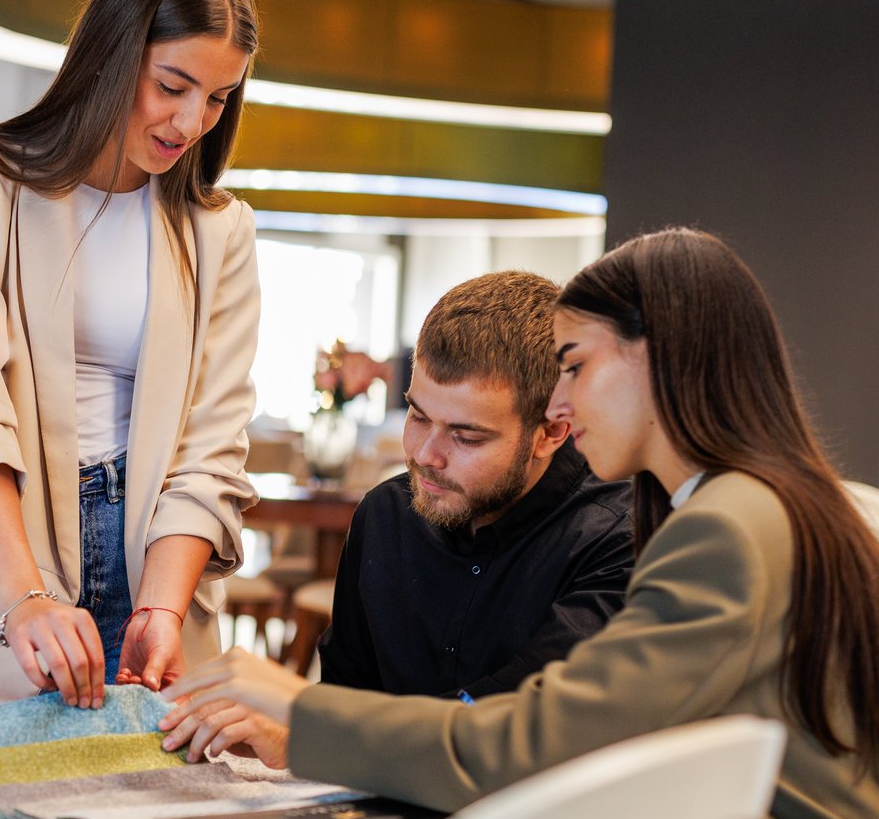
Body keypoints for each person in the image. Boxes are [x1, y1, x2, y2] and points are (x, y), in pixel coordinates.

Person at [161, 228, 879, 819]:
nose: (560, 405)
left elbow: (544, 744)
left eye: (576, 367)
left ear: (655, 358)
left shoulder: (728, 529)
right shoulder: (759, 504)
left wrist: (302, 712)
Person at [0, 0, 262, 714]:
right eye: (171, 85)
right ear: (113, 52)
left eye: (217, 98)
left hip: (157, 576)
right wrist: (24, 599)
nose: (191, 123)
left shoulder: (221, 232)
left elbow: (212, 445)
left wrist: (161, 607)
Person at [168, 271, 635, 766]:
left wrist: (307, 732)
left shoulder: (615, 542)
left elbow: (512, 741)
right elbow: (349, 699)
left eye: (466, 437)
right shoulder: (384, 517)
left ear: (551, 432)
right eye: (418, 416)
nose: (425, 455)